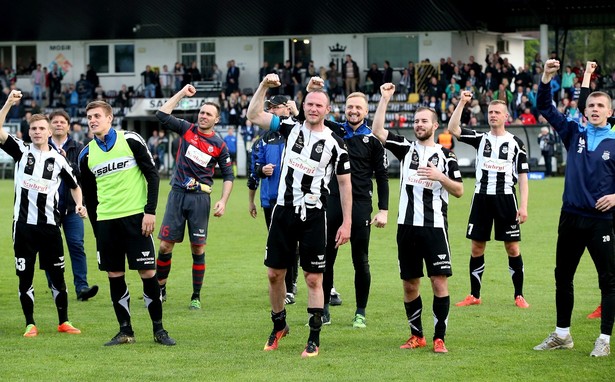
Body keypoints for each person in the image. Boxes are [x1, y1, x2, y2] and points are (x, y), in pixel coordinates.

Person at [247, 73, 352, 358]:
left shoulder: (335, 143)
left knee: (313, 279)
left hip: (314, 216)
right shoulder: (288, 128)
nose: (314, 109)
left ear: (327, 110)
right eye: (309, 104)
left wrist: (347, 222)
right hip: (283, 212)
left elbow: (344, 184)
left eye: (319, 105)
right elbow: (253, 113)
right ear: (302, 106)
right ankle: (279, 325)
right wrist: (265, 87)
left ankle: (314, 337)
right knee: (274, 274)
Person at [372, 83, 463, 353]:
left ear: (435, 126)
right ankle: (417, 335)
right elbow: (378, 131)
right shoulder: (406, 148)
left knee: (438, 281)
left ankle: (439, 337)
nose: (419, 124)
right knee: (410, 284)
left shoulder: (447, 155)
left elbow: (459, 190)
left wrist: (440, 177)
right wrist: (385, 99)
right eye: (416, 121)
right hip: (407, 228)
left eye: (424, 121)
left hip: (435, 228)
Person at [534, 59, 615, 357]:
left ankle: (604, 339)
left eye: (600, 105)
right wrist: (546, 77)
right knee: (562, 276)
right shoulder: (573, 133)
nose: (594, 109)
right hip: (570, 219)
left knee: (608, 281)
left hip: (601, 222)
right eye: (590, 105)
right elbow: (545, 107)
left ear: (610, 112)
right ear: (585, 109)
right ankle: (562, 334)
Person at [78, 100, 175, 346]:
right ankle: (125, 330)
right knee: (114, 274)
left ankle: (159, 330)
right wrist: (97, 230)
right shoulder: (86, 154)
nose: (92, 120)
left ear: (110, 118)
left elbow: (152, 175)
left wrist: (150, 212)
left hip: (136, 218)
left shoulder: (131, 140)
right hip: (107, 222)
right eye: (89, 116)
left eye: (97, 115)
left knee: (148, 272)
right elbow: (89, 196)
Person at [306, 77, 389, 328]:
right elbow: (310, 113)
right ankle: (326, 308)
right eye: (350, 107)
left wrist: (384, 210)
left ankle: (360, 311)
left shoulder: (372, 140)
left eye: (358, 108)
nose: (353, 111)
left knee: (360, 259)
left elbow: (383, 177)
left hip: (362, 204)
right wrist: (312, 90)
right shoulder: (334, 130)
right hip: (331, 200)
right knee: (327, 257)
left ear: (365, 112)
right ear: (345, 109)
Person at [0, 90, 84, 337]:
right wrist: (7, 104)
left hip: (50, 226)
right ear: (29, 132)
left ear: (50, 132)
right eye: (33, 128)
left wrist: (79, 204)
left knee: (58, 276)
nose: (37, 132)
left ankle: (64, 321)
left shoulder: (58, 160)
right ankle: (30, 323)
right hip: (23, 226)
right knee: (25, 277)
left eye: (41, 128)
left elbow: (75, 186)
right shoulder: (21, 150)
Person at [155, 84, 234, 310]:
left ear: (216, 120)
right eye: (201, 112)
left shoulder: (219, 145)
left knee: (198, 248)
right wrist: (181, 94)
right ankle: (160, 289)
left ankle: (196, 296)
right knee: (165, 246)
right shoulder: (187, 129)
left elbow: (228, 175)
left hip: (200, 200)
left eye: (208, 114)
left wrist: (223, 200)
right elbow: (161, 114)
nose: (203, 116)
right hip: (177, 196)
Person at [449, 90, 530, 309]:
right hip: (481, 199)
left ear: (506, 117)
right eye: (490, 112)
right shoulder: (480, 138)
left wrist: (523, 206)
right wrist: (462, 103)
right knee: (477, 247)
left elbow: (522, 178)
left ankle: (519, 295)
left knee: (512, 248)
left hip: (506, 199)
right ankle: (474, 295)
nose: (493, 115)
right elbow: (453, 129)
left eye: (497, 112)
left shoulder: (516, 143)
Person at [247, 94, 301, 305]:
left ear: (287, 109)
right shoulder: (262, 140)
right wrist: (261, 172)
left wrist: (297, 113)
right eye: (269, 108)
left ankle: (291, 284)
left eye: (276, 107)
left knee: (294, 244)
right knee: (278, 243)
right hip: (270, 200)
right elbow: (254, 170)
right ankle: (286, 285)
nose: (271, 111)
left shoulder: (298, 132)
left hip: (293, 198)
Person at [46, 110, 98, 301]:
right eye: (55, 122)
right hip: (48, 209)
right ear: (50, 125)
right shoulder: (42, 147)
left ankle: (82, 288)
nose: (58, 124)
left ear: (68, 126)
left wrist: (64, 160)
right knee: (50, 249)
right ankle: (55, 287)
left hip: (72, 208)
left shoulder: (78, 148)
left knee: (76, 245)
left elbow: (84, 177)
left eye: (62, 122)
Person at [579, 61, 615, 320]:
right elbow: (584, 103)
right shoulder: (599, 126)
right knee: (607, 264)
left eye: (600, 106)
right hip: (605, 210)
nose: (594, 110)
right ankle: (605, 304)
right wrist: (587, 76)